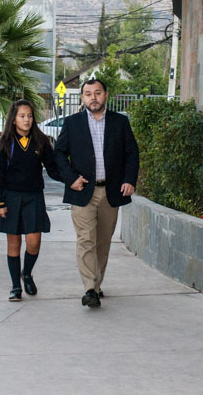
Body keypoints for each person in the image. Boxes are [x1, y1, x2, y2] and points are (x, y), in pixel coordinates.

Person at [54, 78, 139, 308]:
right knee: (86, 240)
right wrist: (71, 178)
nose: (93, 97)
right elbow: (59, 154)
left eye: (97, 93)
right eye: (88, 93)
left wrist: (129, 180)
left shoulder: (120, 122)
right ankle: (89, 288)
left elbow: (132, 153)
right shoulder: (72, 123)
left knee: (103, 242)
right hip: (83, 192)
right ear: (83, 98)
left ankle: (97, 284)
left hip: (110, 192)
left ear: (106, 95)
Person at [0, 99, 61, 302]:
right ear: (13, 119)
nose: (27, 120)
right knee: (13, 245)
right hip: (11, 198)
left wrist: (71, 178)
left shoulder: (41, 140)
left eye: (30, 116)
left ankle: (27, 273)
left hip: (34, 197)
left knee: (34, 243)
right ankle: (15, 287)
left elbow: (53, 168)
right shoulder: (6, 142)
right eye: (22, 116)